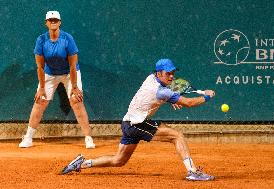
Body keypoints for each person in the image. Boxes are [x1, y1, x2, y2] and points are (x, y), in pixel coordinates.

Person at [60, 59, 215, 181]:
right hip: (137, 124)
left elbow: (168, 91)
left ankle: (83, 163)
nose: (172, 76)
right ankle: (192, 171)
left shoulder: (151, 78)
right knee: (177, 135)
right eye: (168, 73)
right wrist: (206, 96)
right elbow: (188, 103)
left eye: (173, 72)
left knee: (119, 160)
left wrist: (173, 99)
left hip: (128, 122)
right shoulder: (160, 91)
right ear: (159, 73)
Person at [19, 11, 95, 149]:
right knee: (40, 101)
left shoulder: (68, 39)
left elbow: (73, 65)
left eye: (56, 20)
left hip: (69, 73)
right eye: (50, 20)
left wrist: (75, 87)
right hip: (49, 73)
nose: (53, 22)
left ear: (59, 22)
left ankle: (88, 138)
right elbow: (40, 67)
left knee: (76, 101)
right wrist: (41, 88)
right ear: (46, 23)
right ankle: (28, 138)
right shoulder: (41, 40)